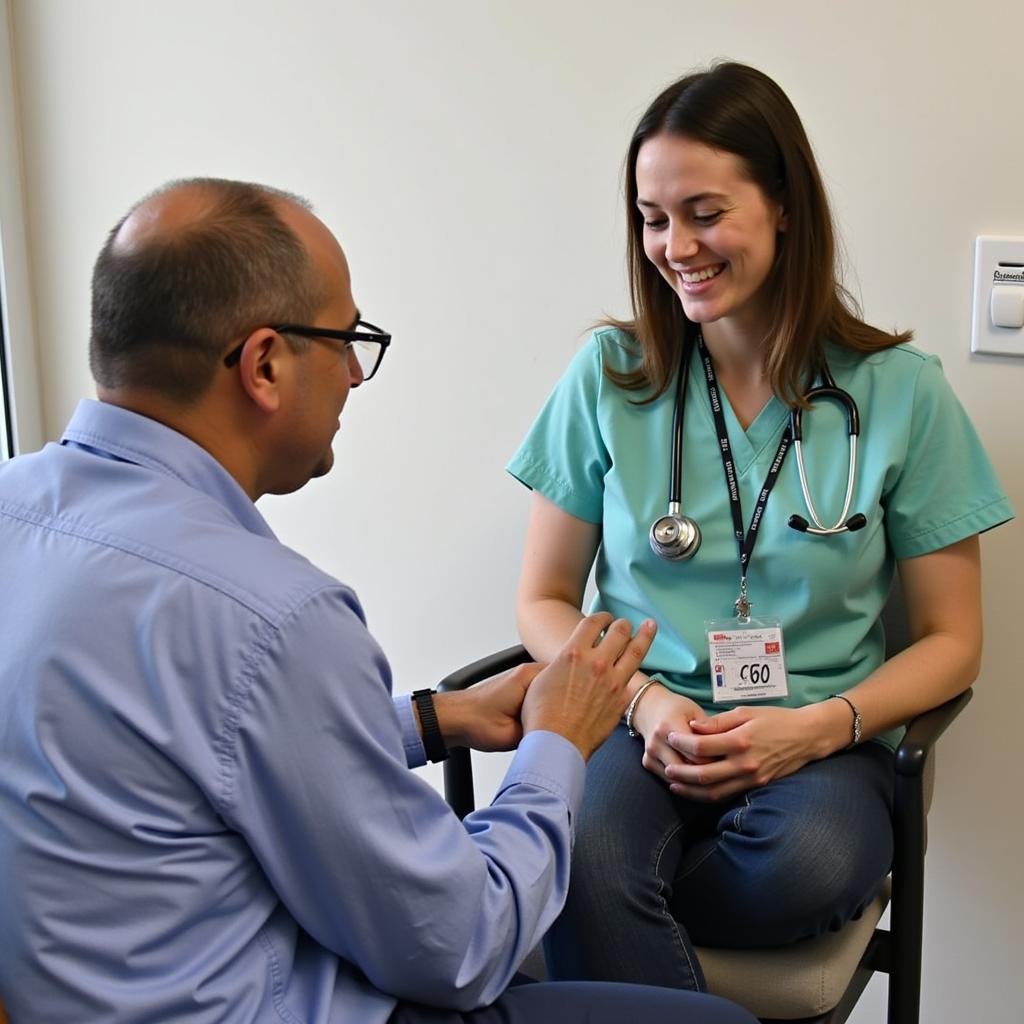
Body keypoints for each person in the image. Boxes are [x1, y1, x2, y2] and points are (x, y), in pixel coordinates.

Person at [0, 178, 758, 1024]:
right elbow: (466, 945)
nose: (357, 373)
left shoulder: (15, 512)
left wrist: (435, 719)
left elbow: (181, 747)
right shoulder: (272, 615)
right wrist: (557, 743)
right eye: (345, 339)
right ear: (264, 365)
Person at [508, 62, 1014, 991]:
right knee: (581, 847)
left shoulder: (902, 393)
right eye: (652, 219)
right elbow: (541, 600)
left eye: (705, 212)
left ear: (784, 206)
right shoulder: (608, 375)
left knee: (804, 867)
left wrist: (820, 729)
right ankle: (604, 891)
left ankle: (606, 903)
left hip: (820, 732)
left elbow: (954, 640)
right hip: (639, 723)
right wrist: (643, 705)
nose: (675, 246)